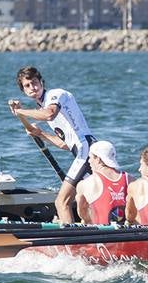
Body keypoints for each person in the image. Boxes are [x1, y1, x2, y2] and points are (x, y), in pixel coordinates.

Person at [10, 65, 96, 224]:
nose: (32, 87)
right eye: (27, 86)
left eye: (34, 82)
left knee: (61, 202)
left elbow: (49, 115)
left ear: (41, 82)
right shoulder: (41, 107)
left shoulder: (54, 95)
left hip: (87, 149)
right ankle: (94, 232)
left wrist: (20, 112)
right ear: (23, 90)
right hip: (83, 151)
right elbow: (64, 144)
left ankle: (71, 243)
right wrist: (40, 134)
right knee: (85, 199)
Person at [76, 140, 128, 224]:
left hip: (100, 235)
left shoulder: (86, 184)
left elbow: (83, 214)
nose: (89, 161)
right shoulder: (130, 179)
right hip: (126, 235)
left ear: (98, 159)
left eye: (90, 157)